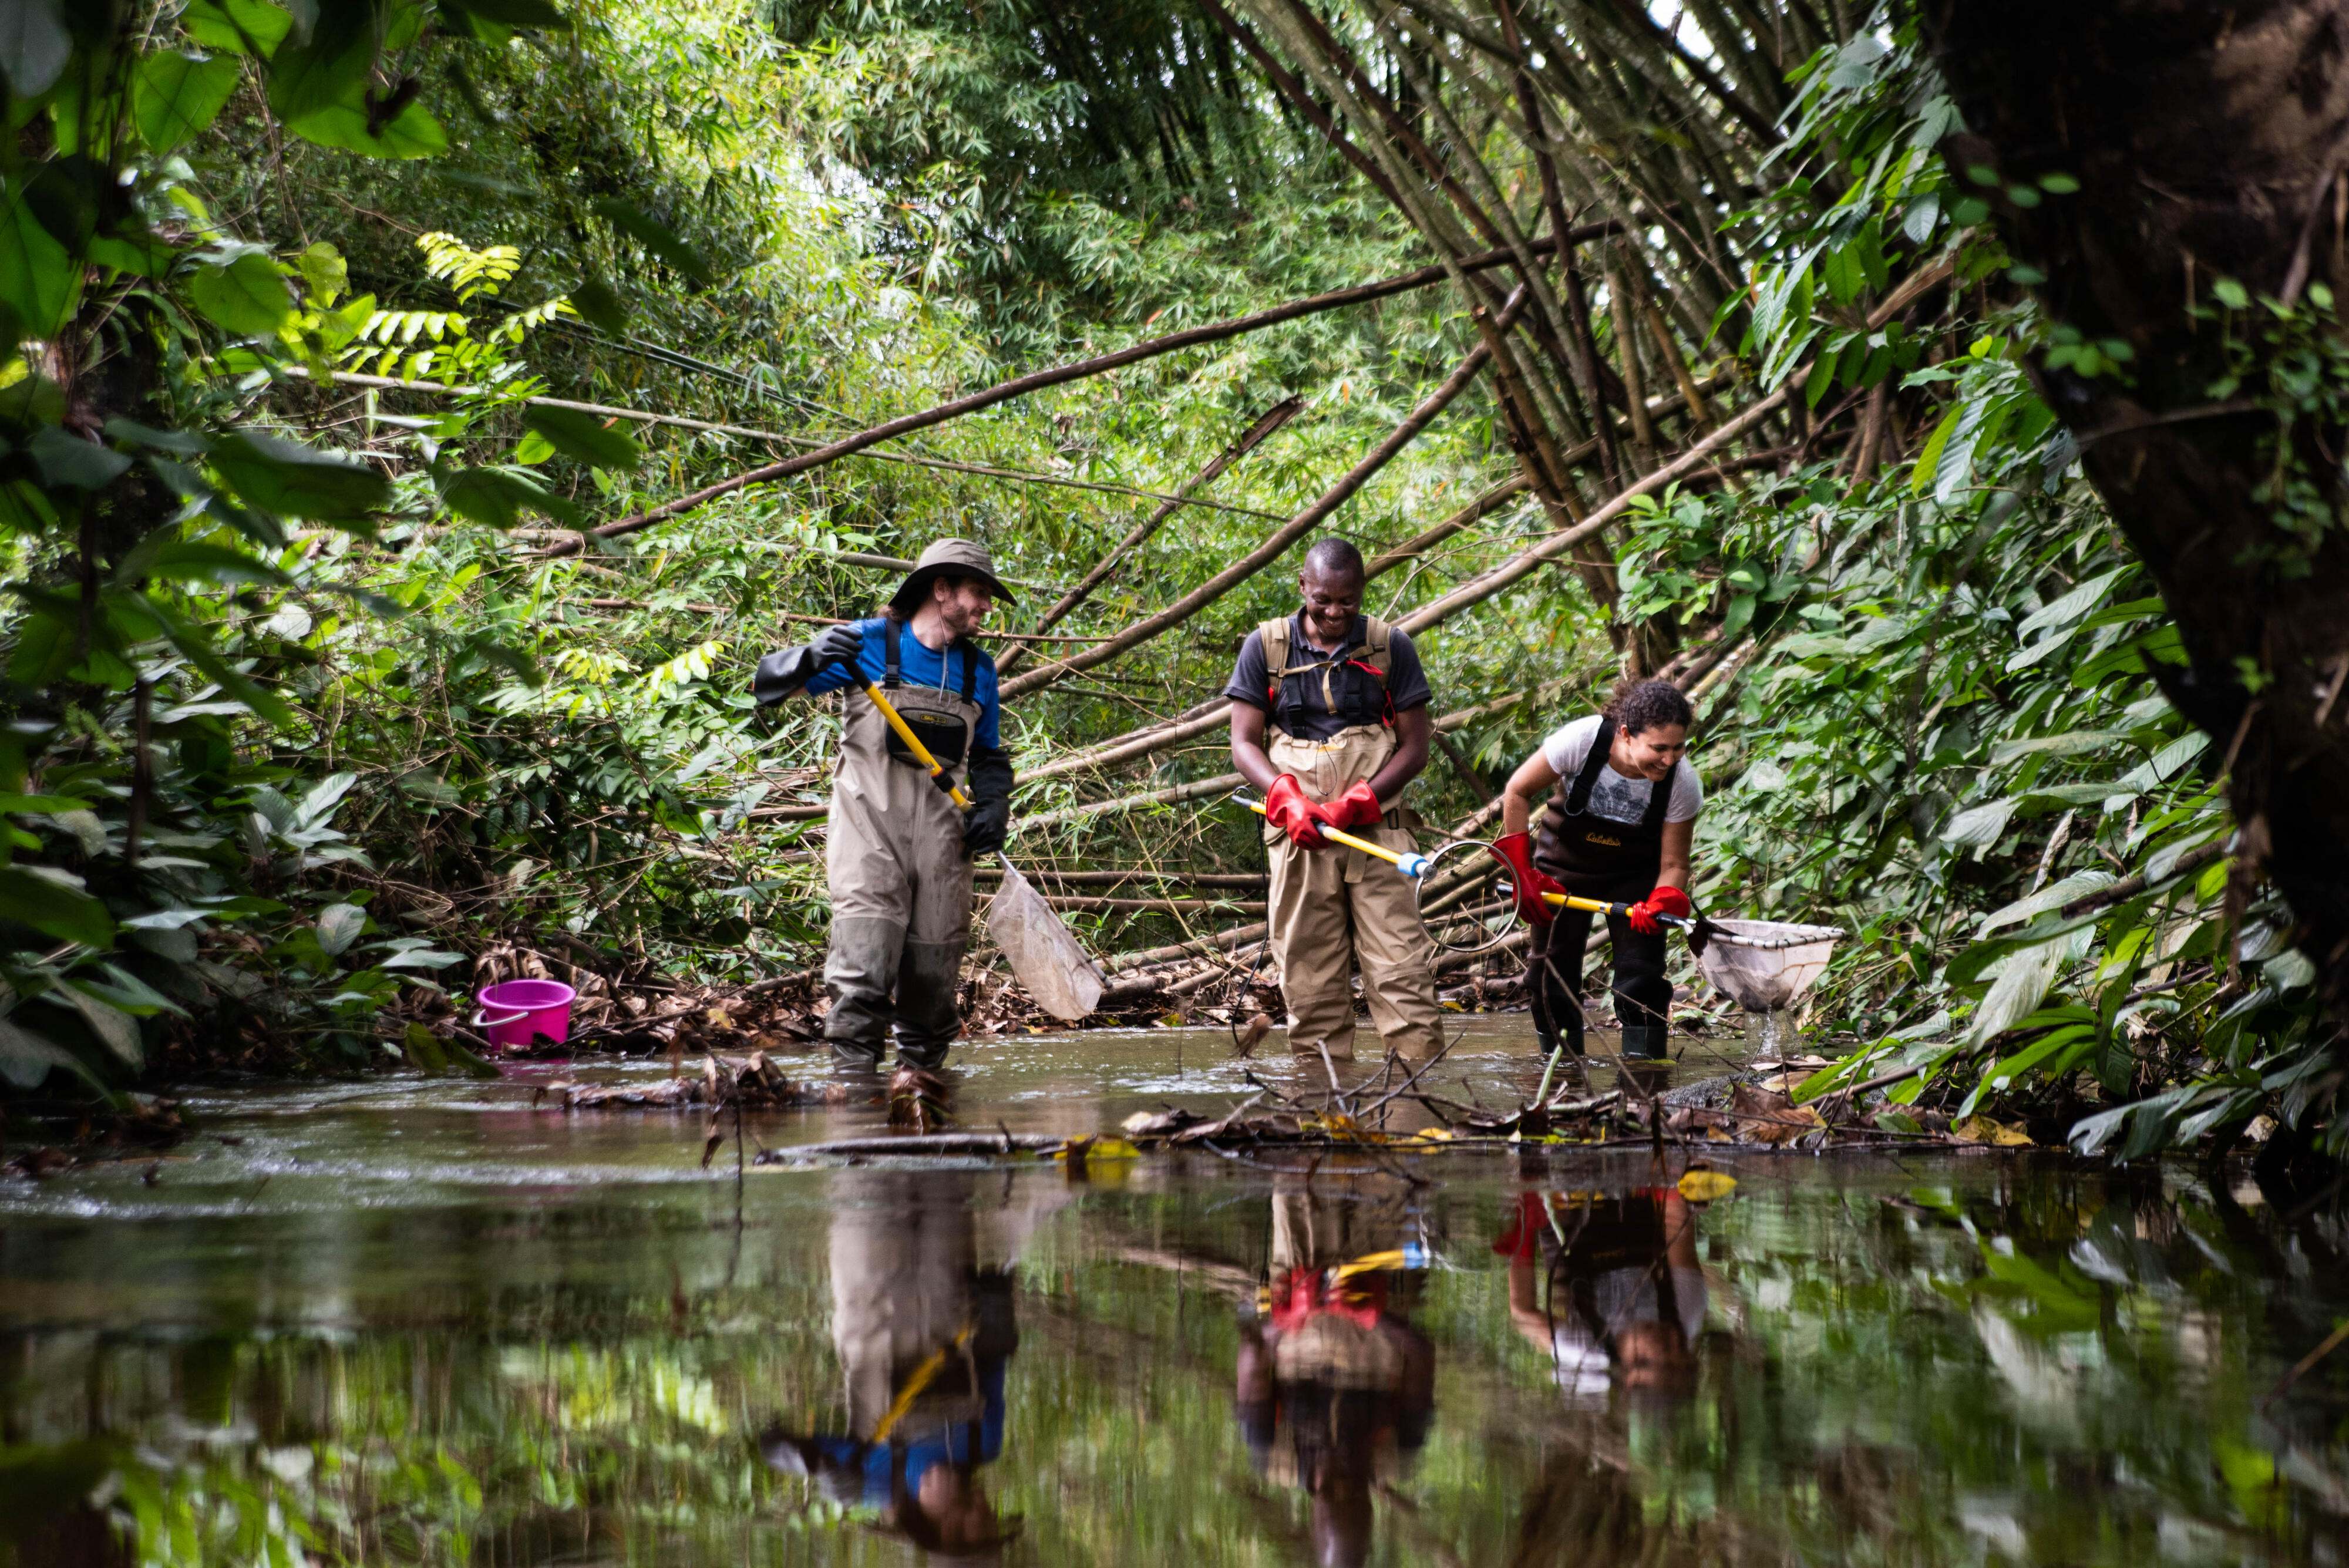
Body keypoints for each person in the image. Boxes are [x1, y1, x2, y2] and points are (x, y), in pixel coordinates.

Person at [752, 539, 1017, 1071]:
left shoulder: (978, 670)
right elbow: (770, 686)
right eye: (979, 593)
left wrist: (994, 805)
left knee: (933, 980)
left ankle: (920, 1104)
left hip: (944, 841)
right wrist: (812, 655)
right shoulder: (868, 644)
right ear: (941, 591)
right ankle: (855, 1108)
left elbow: (988, 755)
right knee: (864, 968)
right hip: (868, 830)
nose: (987, 607)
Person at [1226, 539, 1444, 1063]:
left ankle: (1425, 1107)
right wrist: (1284, 795)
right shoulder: (1266, 647)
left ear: (1362, 593)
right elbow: (1243, 744)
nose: (1334, 612)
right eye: (1323, 599)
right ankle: (1324, 1108)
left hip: (1381, 834)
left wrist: (1361, 802)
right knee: (1310, 981)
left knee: (1403, 975)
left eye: (1348, 601)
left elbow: (1417, 749)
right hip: (1299, 841)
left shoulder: (1391, 647)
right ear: (1303, 587)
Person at [1491, 678, 1703, 1059]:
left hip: (1635, 878)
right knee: (1548, 980)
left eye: (1678, 747)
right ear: (1626, 734)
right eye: (1658, 748)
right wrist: (1521, 871)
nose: (1669, 759)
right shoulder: (1582, 741)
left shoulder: (1683, 782)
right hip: (1563, 868)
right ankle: (1563, 1077)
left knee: (1641, 981)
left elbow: (1674, 864)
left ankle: (1645, 1077)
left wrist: (1662, 899)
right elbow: (1518, 791)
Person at [1236, 1175, 1434, 1568]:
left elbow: (1251, 1355)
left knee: (1300, 1175)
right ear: (1370, 1505)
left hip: (1301, 1276)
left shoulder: (1274, 1454)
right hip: (1380, 1288)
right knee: (1386, 1178)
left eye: (1334, 1492)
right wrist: (1376, 1317)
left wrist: (1286, 1318)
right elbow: (1421, 1354)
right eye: (1352, 1491)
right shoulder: (1398, 1452)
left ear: (1314, 1510)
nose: (1342, 1478)